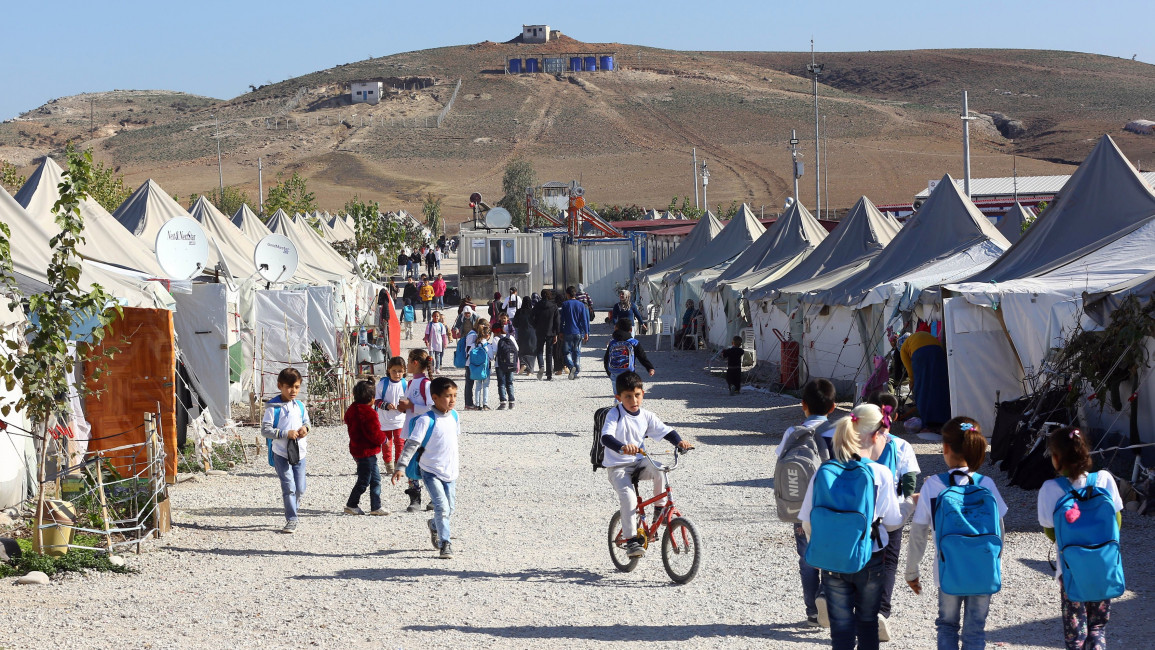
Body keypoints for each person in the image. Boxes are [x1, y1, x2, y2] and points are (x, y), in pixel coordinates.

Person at [798, 403, 903, 650]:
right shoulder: (881, 473)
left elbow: (806, 520)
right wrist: (909, 505)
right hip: (870, 558)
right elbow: (892, 522)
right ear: (875, 436)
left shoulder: (825, 470)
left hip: (833, 560)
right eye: (885, 437)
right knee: (867, 625)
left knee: (841, 628)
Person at [906, 416, 1008, 650]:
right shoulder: (987, 484)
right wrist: (994, 563)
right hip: (983, 570)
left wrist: (912, 570)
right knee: (975, 629)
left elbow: (919, 533)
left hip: (947, 571)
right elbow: (1000, 531)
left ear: (945, 448)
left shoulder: (933, 486)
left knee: (947, 625)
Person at [1037, 427, 1124, 650]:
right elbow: (1117, 521)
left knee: (1075, 632)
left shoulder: (1050, 488)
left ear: (1056, 459)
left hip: (1070, 570)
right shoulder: (1104, 479)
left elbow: (1050, 531)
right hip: (1104, 564)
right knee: (1097, 627)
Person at [600, 372, 694, 558]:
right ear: (618, 398)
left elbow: (666, 431)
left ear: (643, 393)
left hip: (639, 462)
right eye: (627, 396)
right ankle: (631, 540)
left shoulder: (646, 416)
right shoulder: (615, 413)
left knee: (661, 470)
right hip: (618, 467)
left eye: (637, 395)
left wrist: (679, 442)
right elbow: (606, 437)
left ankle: (659, 510)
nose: (633, 400)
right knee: (629, 498)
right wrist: (622, 447)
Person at [775, 378, 838, 628]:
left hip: (802, 508)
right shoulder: (838, 430)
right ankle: (826, 596)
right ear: (833, 407)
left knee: (807, 558)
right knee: (833, 556)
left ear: (803, 405)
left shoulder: (793, 432)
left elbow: (781, 458)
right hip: (832, 506)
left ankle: (812, 611)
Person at [864, 392, 920, 638]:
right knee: (888, 562)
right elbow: (909, 482)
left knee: (864, 559)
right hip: (892, 512)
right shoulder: (901, 445)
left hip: (862, 509)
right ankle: (882, 611)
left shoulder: (859, 441)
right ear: (895, 416)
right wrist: (907, 498)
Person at [392, 376, 460, 559]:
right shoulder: (425, 420)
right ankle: (445, 543)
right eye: (448, 396)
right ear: (435, 397)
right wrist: (401, 466)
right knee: (442, 507)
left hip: (450, 471)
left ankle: (434, 525)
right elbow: (412, 445)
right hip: (430, 471)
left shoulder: (454, 416)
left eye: (454, 395)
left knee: (450, 507)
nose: (452, 400)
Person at [261, 368, 311, 534]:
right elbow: (265, 430)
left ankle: (293, 509)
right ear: (280, 386)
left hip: (299, 453)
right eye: (289, 387)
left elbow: (307, 422)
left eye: (296, 387)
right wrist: (284, 434)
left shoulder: (300, 405)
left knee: (300, 488)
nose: (293, 391)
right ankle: (292, 518)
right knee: (289, 486)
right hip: (281, 453)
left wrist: (305, 429)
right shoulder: (273, 408)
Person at [343, 380, 389, 516]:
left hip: (357, 449)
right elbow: (374, 433)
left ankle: (376, 506)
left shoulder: (352, 409)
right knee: (365, 480)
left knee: (375, 479)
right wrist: (384, 439)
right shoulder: (368, 413)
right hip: (366, 452)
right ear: (371, 398)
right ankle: (352, 504)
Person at [399, 349, 435, 513]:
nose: (406, 364)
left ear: (414, 363)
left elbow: (431, 408)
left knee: (428, 464)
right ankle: (415, 498)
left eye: (408, 360)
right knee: (411, 465)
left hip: (423, 432)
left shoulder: (425, 384)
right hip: (410, 430)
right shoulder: (411, 382)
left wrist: (411, 406)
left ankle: (435, 497)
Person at [900, 325, 951, 430]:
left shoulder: (902, 350)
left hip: (921, 353)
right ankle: (944, 419)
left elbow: (910, 371)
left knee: (922, 388)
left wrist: (912, 382)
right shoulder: (915, 337)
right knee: (939, 385)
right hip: (938, 351)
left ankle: (927, 423)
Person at [603, 317, 655, 396]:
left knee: (618, 394)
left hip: (614, 372)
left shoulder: (612, 343)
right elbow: (642, 357)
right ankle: (626, 405)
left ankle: (618, 405)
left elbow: (606, 358)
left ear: (616, 328)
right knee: (628, 393)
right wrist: (649, 367)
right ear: (630, 330)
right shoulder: (634, 342)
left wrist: (609, 372)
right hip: (629, 372)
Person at [375, 356, 408, 477]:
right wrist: (385, 405)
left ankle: (398, 466)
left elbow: (407, 401)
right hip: (385, 420)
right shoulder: (383, 383)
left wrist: (403, 408)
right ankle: (389, 465)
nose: (397, 374)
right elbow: (376, 400)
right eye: (394, 370)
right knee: (386, 443)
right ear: (389, 370)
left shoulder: (405, 384)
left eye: (400, 371)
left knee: (400, 443)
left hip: (400, 420)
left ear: (404, 371)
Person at [560, 286, 591, 379]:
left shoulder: (565, 304)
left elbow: (562, 320)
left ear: (567, 294)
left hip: (568, 331)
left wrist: (561, 331)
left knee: (566, 352)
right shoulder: (581, 305)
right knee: (576, 351)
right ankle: (576, 370)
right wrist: (586, 332)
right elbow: (584, 320)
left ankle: (571, 366)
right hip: (578, 332)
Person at [532, 289, 560, 381]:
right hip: (550, 332)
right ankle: (549, 375)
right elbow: (557, 321)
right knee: (549, 353)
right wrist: (556, 333)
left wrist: (535, 326)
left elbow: (532, 317)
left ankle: (541, 366)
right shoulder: (554, 306)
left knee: (539, 351)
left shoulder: (537, 305)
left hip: (539, 331)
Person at [468, 322, 495, 410]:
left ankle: (477, 404)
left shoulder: (474, 344)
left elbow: (469, 353)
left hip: (476, 368)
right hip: (486, 369)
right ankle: (485, 404)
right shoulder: (487, 345)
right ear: (488, 335)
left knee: (478, 386)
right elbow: (491, 357)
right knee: (486, 386)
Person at [494, 323, 519, 408]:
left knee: (501, 383)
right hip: (511, 362)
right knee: (510, 382)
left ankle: (503, 402)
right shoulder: (511, 337)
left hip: (499, 364)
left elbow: (494, 352)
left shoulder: (496, 339)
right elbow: (517, 349)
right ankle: (512, 402)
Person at [514, 293, 539, 375]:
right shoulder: (533, 312)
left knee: (522, 350)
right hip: (532, 333)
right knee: (532, 351)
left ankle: (523, 364)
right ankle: (529, 370)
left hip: (522, 333)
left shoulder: (519, 311)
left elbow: (515, 323)